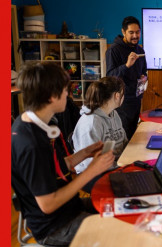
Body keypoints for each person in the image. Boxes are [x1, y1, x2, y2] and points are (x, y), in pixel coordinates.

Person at [11, 61, 115, 246]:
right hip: (55, 227)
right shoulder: (30, 144)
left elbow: (54, 167)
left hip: (69, 209)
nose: (68, 94)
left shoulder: (31, 123)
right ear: (52, 96)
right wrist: (92, 170)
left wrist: (84, 153)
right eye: (65, 90)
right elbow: (48, 204)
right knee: (119, 231)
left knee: (121, 209)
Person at [72, 76, 128, 192]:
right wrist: (120, 166)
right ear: (117, 96)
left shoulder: (114, 114)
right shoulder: (91, 122)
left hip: (115, 165)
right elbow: (91, 163)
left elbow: (124, 142)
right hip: (91, 174)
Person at [106, 16, 147, 140]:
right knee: (123, 138)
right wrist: (127, 65)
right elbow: (110, 76)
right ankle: (122, 160)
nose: (135, 35)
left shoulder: (140, 50)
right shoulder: (113, 50)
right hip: (121, 103)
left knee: (133, 136)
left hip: (136, 100)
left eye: (137, 32)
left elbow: (143, 71)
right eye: (131, 32)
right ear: (123, 32)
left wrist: (143, 77)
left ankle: (131, 159)